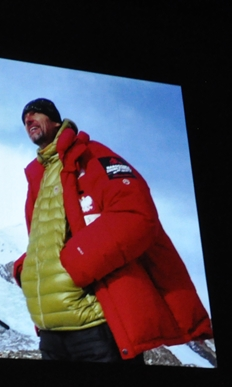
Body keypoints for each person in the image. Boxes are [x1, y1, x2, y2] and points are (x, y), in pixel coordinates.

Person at [13, 98, 213, 363]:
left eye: (35, 114)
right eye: (25, 119)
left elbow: (136, 215)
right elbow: (44, 240)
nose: (28, 120)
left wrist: (76, 261)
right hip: (50, 333)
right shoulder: (37, 176)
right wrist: (28, 270)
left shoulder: (90, 155)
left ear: (55, 120)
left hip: (96, 329)